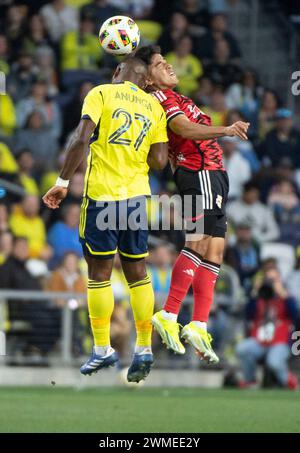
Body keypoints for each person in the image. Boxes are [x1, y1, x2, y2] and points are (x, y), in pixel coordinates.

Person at [43, 56, 169, 382]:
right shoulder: (154, 107)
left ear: (117, 72)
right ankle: (143, 347)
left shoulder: (101, 93)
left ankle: (102, 348)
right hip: (138, 199)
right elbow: (158, 160)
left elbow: (81, 139)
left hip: (102, 198)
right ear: (146, 80)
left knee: (99, 274)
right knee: (139, 273)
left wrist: (62, 181)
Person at [136, 45, 249, 363]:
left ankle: (198, 324)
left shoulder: (180, 97)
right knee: (197, 242)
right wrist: (226, 130)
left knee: (215, 252)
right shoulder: (159, 98)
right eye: (159, 64)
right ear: (148, 78)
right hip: (196, 172)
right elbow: (182, 129)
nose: (168, 65)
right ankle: (169, 314)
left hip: (214, 175)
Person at [236, 267, 298, 390]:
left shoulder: (286, 298)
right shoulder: (259, 297)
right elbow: (248, 314)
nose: (270, 283)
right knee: (241, 348)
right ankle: (250, 380)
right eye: (268, 279)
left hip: (281, 341)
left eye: (273, 280)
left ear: (279, 280)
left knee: (273, 362)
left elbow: (295, 315)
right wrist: (255, 291)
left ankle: (289, 381)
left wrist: (283, 294)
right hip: (259, 341)